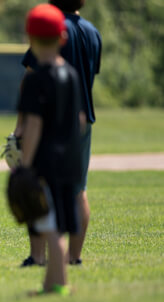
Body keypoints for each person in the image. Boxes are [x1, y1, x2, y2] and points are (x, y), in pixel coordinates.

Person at [14, 0, 102, 267]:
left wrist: (20, 126)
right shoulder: (92, 32)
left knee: (38, 187)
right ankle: (74, 257)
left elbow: (31, 73)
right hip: (80, 121)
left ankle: (38, 256)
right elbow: (90, 75)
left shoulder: (48, 26)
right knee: (78, 190)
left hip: (46, 122)